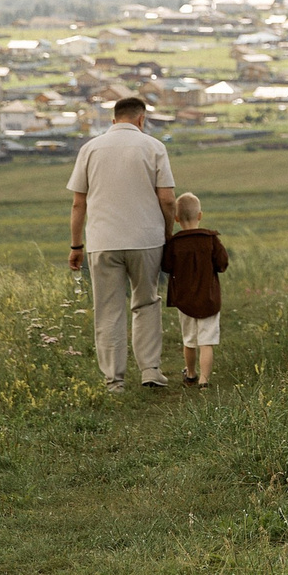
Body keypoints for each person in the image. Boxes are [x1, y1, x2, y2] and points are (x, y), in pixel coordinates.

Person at [65, 96, 177, 392]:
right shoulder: (154, 147)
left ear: (114, 120)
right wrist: (167, 234)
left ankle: (114, 380)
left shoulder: (90, 149)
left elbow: (79, 204)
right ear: (142, 120)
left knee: (108, 309)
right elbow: (167, 198)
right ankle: (150, 369)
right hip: (146, 239)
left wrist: (76, 246)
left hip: (103, 242)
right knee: (146, 301)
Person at [160, 192, 228, 388]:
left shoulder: (174, 243)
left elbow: (166, 266)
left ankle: (190, 374)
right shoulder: (211, 239)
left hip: (185, 300)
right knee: (206, 342)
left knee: (189, 340)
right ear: (200, 215)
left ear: (176, 218)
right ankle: (204, 381)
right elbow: (222, 263)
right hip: (209, 298)